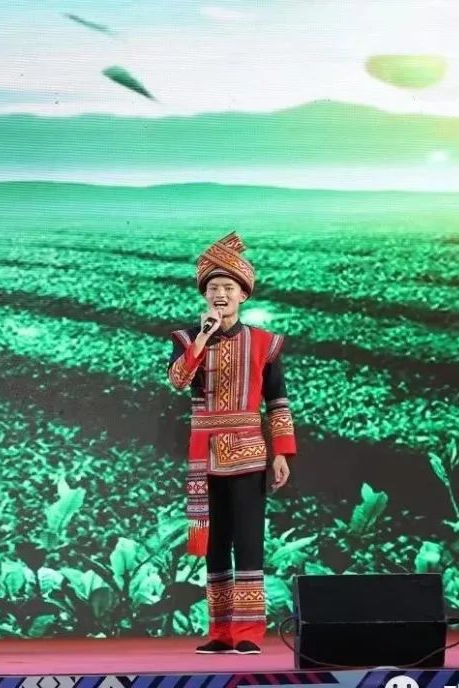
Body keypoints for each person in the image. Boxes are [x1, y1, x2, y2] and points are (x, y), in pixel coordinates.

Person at [167, 232, 297, 656]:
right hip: (205, 455)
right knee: (216, 542)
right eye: (213, 288)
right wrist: (203, 339)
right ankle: (221, 632)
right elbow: (178, 380)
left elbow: (277, 401)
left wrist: (282, 452)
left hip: (249, 453)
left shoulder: (264, 343)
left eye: (228, 287)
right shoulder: (188, 339)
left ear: (243, 294)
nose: (220, 294)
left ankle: (248, 633)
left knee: (248, 539)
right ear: (204, 296)